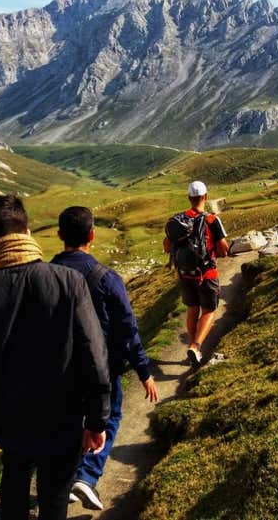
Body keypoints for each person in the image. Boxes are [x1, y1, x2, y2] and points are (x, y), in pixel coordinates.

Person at [0, 195, 111, 520]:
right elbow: (94, 354)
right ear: (27, 231)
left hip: (8, 423)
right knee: (55, 497)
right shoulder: (69, 282)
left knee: (15, 471)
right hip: (63, 418)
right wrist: (96, 420)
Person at [52, 206, 159, 511]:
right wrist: (143, 370)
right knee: (108, 417)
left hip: (60, 369)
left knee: (71, 420)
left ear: (60, 236)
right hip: (103, 368)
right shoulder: (106, 277)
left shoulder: (45, 275)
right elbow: (128, 328)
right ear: (92, 236)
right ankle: (86, 476)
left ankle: (68, 477)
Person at [164, 181, 229, 367]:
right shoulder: (211, 220)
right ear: (205, 197)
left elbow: (167, 246)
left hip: (185, 274)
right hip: (206, 274)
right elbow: (223, 250)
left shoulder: (178, 221)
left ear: (189, 198)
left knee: (192, 309)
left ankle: (194, 352)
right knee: (209, 310)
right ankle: (196, 346)